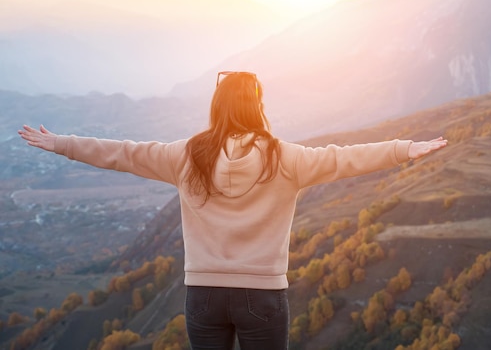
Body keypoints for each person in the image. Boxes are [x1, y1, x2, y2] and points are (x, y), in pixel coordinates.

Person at [18, 71, 447, 350]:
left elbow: (125, 153)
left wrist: (63, 144)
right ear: (256, 107)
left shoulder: (188, 154)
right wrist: (405, 149)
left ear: (217, 107)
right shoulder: (284, 157)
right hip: (262, 295)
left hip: (203, 295)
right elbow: (344, 158)